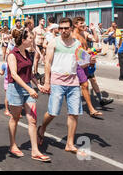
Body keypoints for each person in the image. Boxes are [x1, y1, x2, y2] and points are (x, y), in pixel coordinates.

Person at [38, 18, 85, 155]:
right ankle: (42, 128)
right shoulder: (54, 42)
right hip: (57, 81)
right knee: (53, 112)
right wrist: (47, 82)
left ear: (71, 28)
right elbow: (47, 63)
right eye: (61, 28)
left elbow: (82, 62)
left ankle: (70, 143)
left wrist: (91, 60)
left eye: (66, 28)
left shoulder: (77, 43)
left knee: (74, 113)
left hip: (73, 82)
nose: (63, 31)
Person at [6, 29, 50, 162]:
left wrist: (37, 85)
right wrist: (29, 89)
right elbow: (14, 74)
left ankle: (35, 151)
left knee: (32, 120)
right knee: (15, 118)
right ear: (23, 40)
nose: (33, 40)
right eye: (30, 38)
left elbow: (29, 73)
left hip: (28, 88)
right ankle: (12, 145)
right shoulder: (12, 54)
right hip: (15, 89)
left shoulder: (28, 53)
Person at [73, 17, 113, 118]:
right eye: (81, 23)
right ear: (75, 25)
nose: (83, 25)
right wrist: (93, 50)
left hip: (87, 61)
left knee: (90, 81)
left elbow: (95, 39)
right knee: (84, 85)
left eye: (84, 23)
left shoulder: (84, 33)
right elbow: (79, 53)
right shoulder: (74, 36)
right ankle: (91, 109)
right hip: (79, 64)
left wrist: (94, 30)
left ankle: (99, 100)